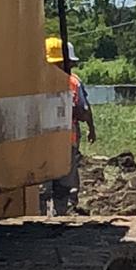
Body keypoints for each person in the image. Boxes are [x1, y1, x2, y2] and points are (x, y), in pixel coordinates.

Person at [43, 38, 97, 215]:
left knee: (44, 186)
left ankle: (46, 215)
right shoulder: (72, 82)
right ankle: (63, 215)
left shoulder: (34, 81)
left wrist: (91, 127)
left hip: (41, 143)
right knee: (65, 184)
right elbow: (83, 110)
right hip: (66, 142)